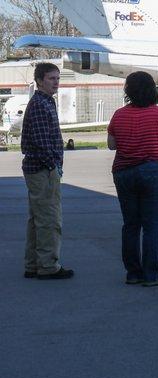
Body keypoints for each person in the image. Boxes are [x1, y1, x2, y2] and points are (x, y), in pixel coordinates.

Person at [107, 71, 158, 286]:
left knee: (131, 225)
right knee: (152, 226)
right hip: (153, 172)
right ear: (152, 90)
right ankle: (151, 275)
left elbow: (112, 144)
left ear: (128, 91)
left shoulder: (119, 115)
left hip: (124, 173)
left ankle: (133, 273)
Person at [21, 62, 74, 279]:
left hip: (39, 169)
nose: (56, 82)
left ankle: (33, 264)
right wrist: (54, 166)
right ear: (40, 81)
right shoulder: (41, 105)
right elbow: (43, 142)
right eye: (52, 78)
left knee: (37, 219)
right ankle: (48, 266)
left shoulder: (44, 102)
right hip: (43, 170)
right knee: (50, 219)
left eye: (58, 78)